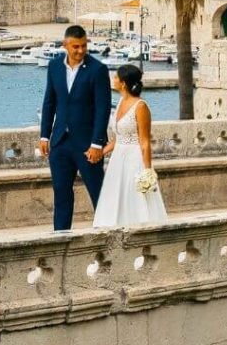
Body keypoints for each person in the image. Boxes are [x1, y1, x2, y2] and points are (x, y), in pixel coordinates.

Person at [39, 24, 112, 230]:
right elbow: (49, 102)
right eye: (76, 47)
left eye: (83, 46)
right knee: (61, 193)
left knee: (98, 193)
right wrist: (45, 136)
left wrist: (97, 143)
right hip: (60, 142)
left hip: (88, 145)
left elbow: (102, 108)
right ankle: (60, 237)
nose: (80, 51)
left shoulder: (98, 70)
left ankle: (106, 234)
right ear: (65, 45)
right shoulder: (54, 66)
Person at [93, 64, 168, 228]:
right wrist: (101, 151)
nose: (113, 80)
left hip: (134, 159)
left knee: (134, 199)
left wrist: (147, 171)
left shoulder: (141, 107)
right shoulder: (120, 102)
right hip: (118, 159)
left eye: (116, 77)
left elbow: (145, 141)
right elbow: (119, 137)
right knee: (115, 198)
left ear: (123, 83)